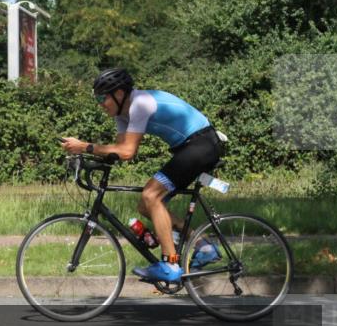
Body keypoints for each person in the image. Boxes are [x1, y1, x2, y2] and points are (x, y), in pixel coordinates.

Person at [60, 68, 224, 283]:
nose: (100, 104)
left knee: (151, 195)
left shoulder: (140, 104)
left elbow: (127, 151)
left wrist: (85, 147)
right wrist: (91, 159)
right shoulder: (121, 114)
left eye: (102, 97)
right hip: (190, 148)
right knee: (145, 206)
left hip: (201, 145)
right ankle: (203, 247)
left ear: (119, 94)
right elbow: (119, 149)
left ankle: (170, 264)